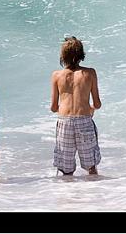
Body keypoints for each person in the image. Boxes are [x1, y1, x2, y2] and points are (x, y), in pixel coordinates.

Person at [50, 37, 102, 176]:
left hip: (64, 122)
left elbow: (54, 107)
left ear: (63, 56)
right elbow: (97, 103)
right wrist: (90, 108)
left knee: (66, 170)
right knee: (91, 167)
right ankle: (95, 194)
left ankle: (68, 196)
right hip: (84, 121)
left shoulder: (56, 75)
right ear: (81, 55)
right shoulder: (90, 73)